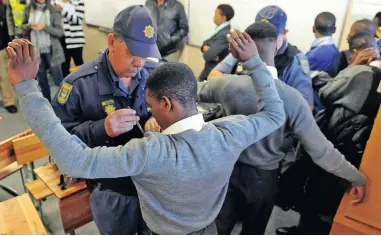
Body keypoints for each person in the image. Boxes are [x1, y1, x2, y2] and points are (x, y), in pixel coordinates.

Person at [8, 27, 286, 234]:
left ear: (166, 103)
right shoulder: (230, 132)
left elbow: (73, 159)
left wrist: (27, 89)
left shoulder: (151, 152)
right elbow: (274, 113)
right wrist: (253, 62)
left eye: (151, 106)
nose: (148, 114)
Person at [197, 22, 367, 235]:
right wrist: (356, 177)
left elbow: (191, 91)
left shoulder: (227, 85)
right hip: (264, 178)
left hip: (225, 171)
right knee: (253, 230)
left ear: (242, 52)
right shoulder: (292, 98)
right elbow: (321, 150)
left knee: (217, 228)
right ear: (276, 48)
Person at [51, 6, 160, 235]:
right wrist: (102, 129)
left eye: (145, 54)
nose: (139, 63)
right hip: (111, 190)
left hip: (151, 184)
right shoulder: (78, 85)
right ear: (112, 41)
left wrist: (156, 118)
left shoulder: (153, 73)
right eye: (132, 53)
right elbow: (57, 143)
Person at [277, 31, 380, 235]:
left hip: (337, 136)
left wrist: (352, 68)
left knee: (316, 188)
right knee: (332, 194)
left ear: (355, 51)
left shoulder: (362, 72)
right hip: (359, 144)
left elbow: (328, 93)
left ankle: (304, 230)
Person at [208, 5, 313, 110]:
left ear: (284, 33)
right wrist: (237, 88)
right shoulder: (245, 45)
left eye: (270, 36)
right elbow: (213, 75)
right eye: (258, 36)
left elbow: (307, 107)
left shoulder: (295, 60)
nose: (261, 43)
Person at [22, 0, 64, 102]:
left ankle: (64, 104)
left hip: (52, 50)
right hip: (36, 51)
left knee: (59, 79)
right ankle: (48, 104)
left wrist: (44, 27)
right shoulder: (28, 9)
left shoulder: (53, 9)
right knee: (42, 80)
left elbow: (60, 33)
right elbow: (22, 28)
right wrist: (28, 26)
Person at [306, 12, 340, 114]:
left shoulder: (314, 56)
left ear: (313, 28)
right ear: (334, 30)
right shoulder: (336, 53)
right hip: (324, 108)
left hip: (313, 108)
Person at [198, 4, 234, 81]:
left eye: (216, 15)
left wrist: (208, 50)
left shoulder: (224, 34)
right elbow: (205, 43)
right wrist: (207, 48)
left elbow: (208, 56)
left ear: (223, 18)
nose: (214, 17)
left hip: (215, 74)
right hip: (208, 70)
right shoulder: (219, 30)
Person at [55, 0, 85, 78]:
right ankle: (67, 86)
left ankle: (83, 86)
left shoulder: (78, 2)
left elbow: (78, 20)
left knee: (79, 64)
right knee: (64, 65)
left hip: (75, 39)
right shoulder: (56, 2)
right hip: (61, 38)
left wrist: (63, 11)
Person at [0, 0, 17, 113]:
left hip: (3, 46)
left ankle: (8, 101)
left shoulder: (7, 8)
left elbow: (9, 26)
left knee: (5, 76)